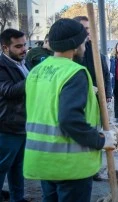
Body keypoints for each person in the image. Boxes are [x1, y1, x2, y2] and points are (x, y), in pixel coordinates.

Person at [23, 18, 116, 202]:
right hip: (69, 165)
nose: (85, 43)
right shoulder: (74, 73)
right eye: (84, 39)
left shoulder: (37, 71)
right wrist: (100, 140)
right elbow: (69, 120)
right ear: (75, 43)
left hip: (43, 160)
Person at [0, 28, 29, 202]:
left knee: (18, 168)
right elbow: (8, 91)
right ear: (5, 48)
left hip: (22, 126)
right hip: (7, 127)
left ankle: (18, 199)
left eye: (24, 44)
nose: (23, 49)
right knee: (2, 167)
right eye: (18, 46)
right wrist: (34, 78)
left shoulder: (22, 62)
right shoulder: (1, 65)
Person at [73, 16, 112, 103]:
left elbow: (105, 73)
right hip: (80, 99)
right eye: (84, 28)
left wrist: (108, 93)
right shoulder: (71, 52)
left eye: (88, 28)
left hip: (98, 99)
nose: (87, 32)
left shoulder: (96, 51)